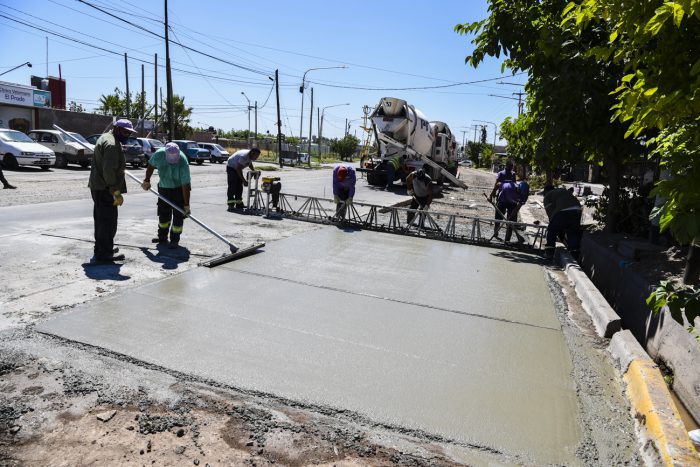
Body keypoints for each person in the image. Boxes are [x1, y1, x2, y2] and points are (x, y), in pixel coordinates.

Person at [87, 119, 133, 263]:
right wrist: (116, 192)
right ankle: (104, 254)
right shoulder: (112, 144)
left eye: (129, 133)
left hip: (99, 187)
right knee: (107, 222)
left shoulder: (106, 138)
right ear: (117, 129)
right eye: (126, 132)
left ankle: (103, 248)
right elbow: (109, 171)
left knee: (101, 221)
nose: (128, 135)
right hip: (105, 189)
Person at [142, 142, 191, 249]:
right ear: (165, 154)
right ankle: (162, 237)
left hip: (179, 189)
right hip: (164, 187)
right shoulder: (159, 155)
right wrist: (146, 180)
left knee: (178, 215)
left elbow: (185, 185)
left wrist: (186, 204)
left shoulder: (183, 161)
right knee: (163, 214)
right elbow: (151, 165)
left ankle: (174, 239)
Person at [543, 184, 583, 259]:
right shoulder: (561, 191)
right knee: (573, 232)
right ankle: (574, 256)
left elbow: (551, 215)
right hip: (577, 209)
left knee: (552, 230)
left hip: (563, 210)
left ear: (545, 191)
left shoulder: (547, 195)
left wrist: (555, 228)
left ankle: (549, 253)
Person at [489, 161, 521, 241]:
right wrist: (493, 194)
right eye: (511, 166)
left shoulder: (509, 175)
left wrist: (492, 194)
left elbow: (497, 184)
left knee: (504, 219)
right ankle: (501, 236)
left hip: (505, 198)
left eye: (511, 166)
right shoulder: (504, 174)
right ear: (507, 166)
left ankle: (503, 237)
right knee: (503, 219)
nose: (511, 167)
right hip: (506, 198)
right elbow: (498, 184)